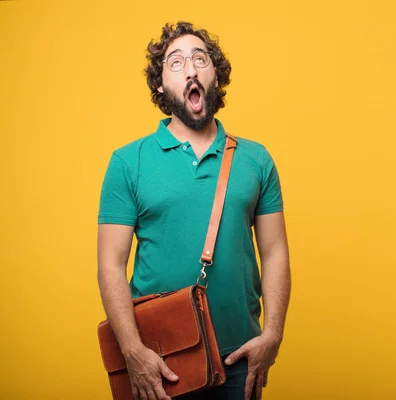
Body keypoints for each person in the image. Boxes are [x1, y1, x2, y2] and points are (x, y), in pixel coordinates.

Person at [97, 21, 291, 400]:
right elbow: (110, 264)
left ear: (215, 75)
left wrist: (273, 336)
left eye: (200, 59)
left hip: (240, 359)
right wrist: (134, 352)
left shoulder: (256, 159)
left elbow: (275, 251)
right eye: (176, 62)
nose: (190, 68)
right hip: (159, 361)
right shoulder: (127, 162)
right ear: (160, 85)